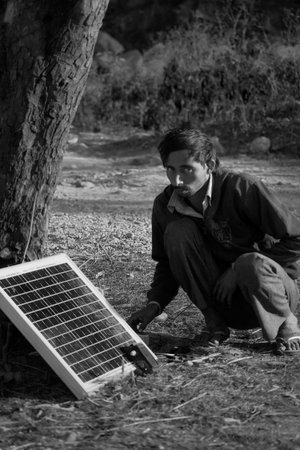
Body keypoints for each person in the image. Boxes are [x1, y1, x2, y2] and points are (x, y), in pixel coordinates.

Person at [127, 128, 300, 355]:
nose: (177, 180)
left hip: (271, 293)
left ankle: (287, 324)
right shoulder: (165, 204)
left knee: (249, 263)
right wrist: (154, 304)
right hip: (221, 301)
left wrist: (236, 269)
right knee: (178, 231)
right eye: (170, 170)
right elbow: (168, 264)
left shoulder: (242, 187)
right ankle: (215, 324)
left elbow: (296, 238)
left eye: (187, 169)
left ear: (209, 164)